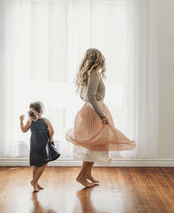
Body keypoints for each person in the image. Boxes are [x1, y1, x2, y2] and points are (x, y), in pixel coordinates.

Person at [66, 48, 136, 188]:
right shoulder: (94, 75)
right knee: (95, 144)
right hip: (95, 112)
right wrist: (102, 115)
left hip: (90, 110)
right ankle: (81, 176)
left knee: (96, 144)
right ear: (98, 60)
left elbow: (84, 96)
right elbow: (91, 97)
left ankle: (87, 174)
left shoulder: (87, 74)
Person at [20, 101, 60, 192]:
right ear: (42, 110)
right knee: (45, 162)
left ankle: (35, 182)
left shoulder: (30, 121)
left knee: (37, 164)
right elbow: (52, 131)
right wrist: (51, 137)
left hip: (34, 145)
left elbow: (23, 130)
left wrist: (21, 120)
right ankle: (34, 181)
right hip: (42, 145)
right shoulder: (46, 120)